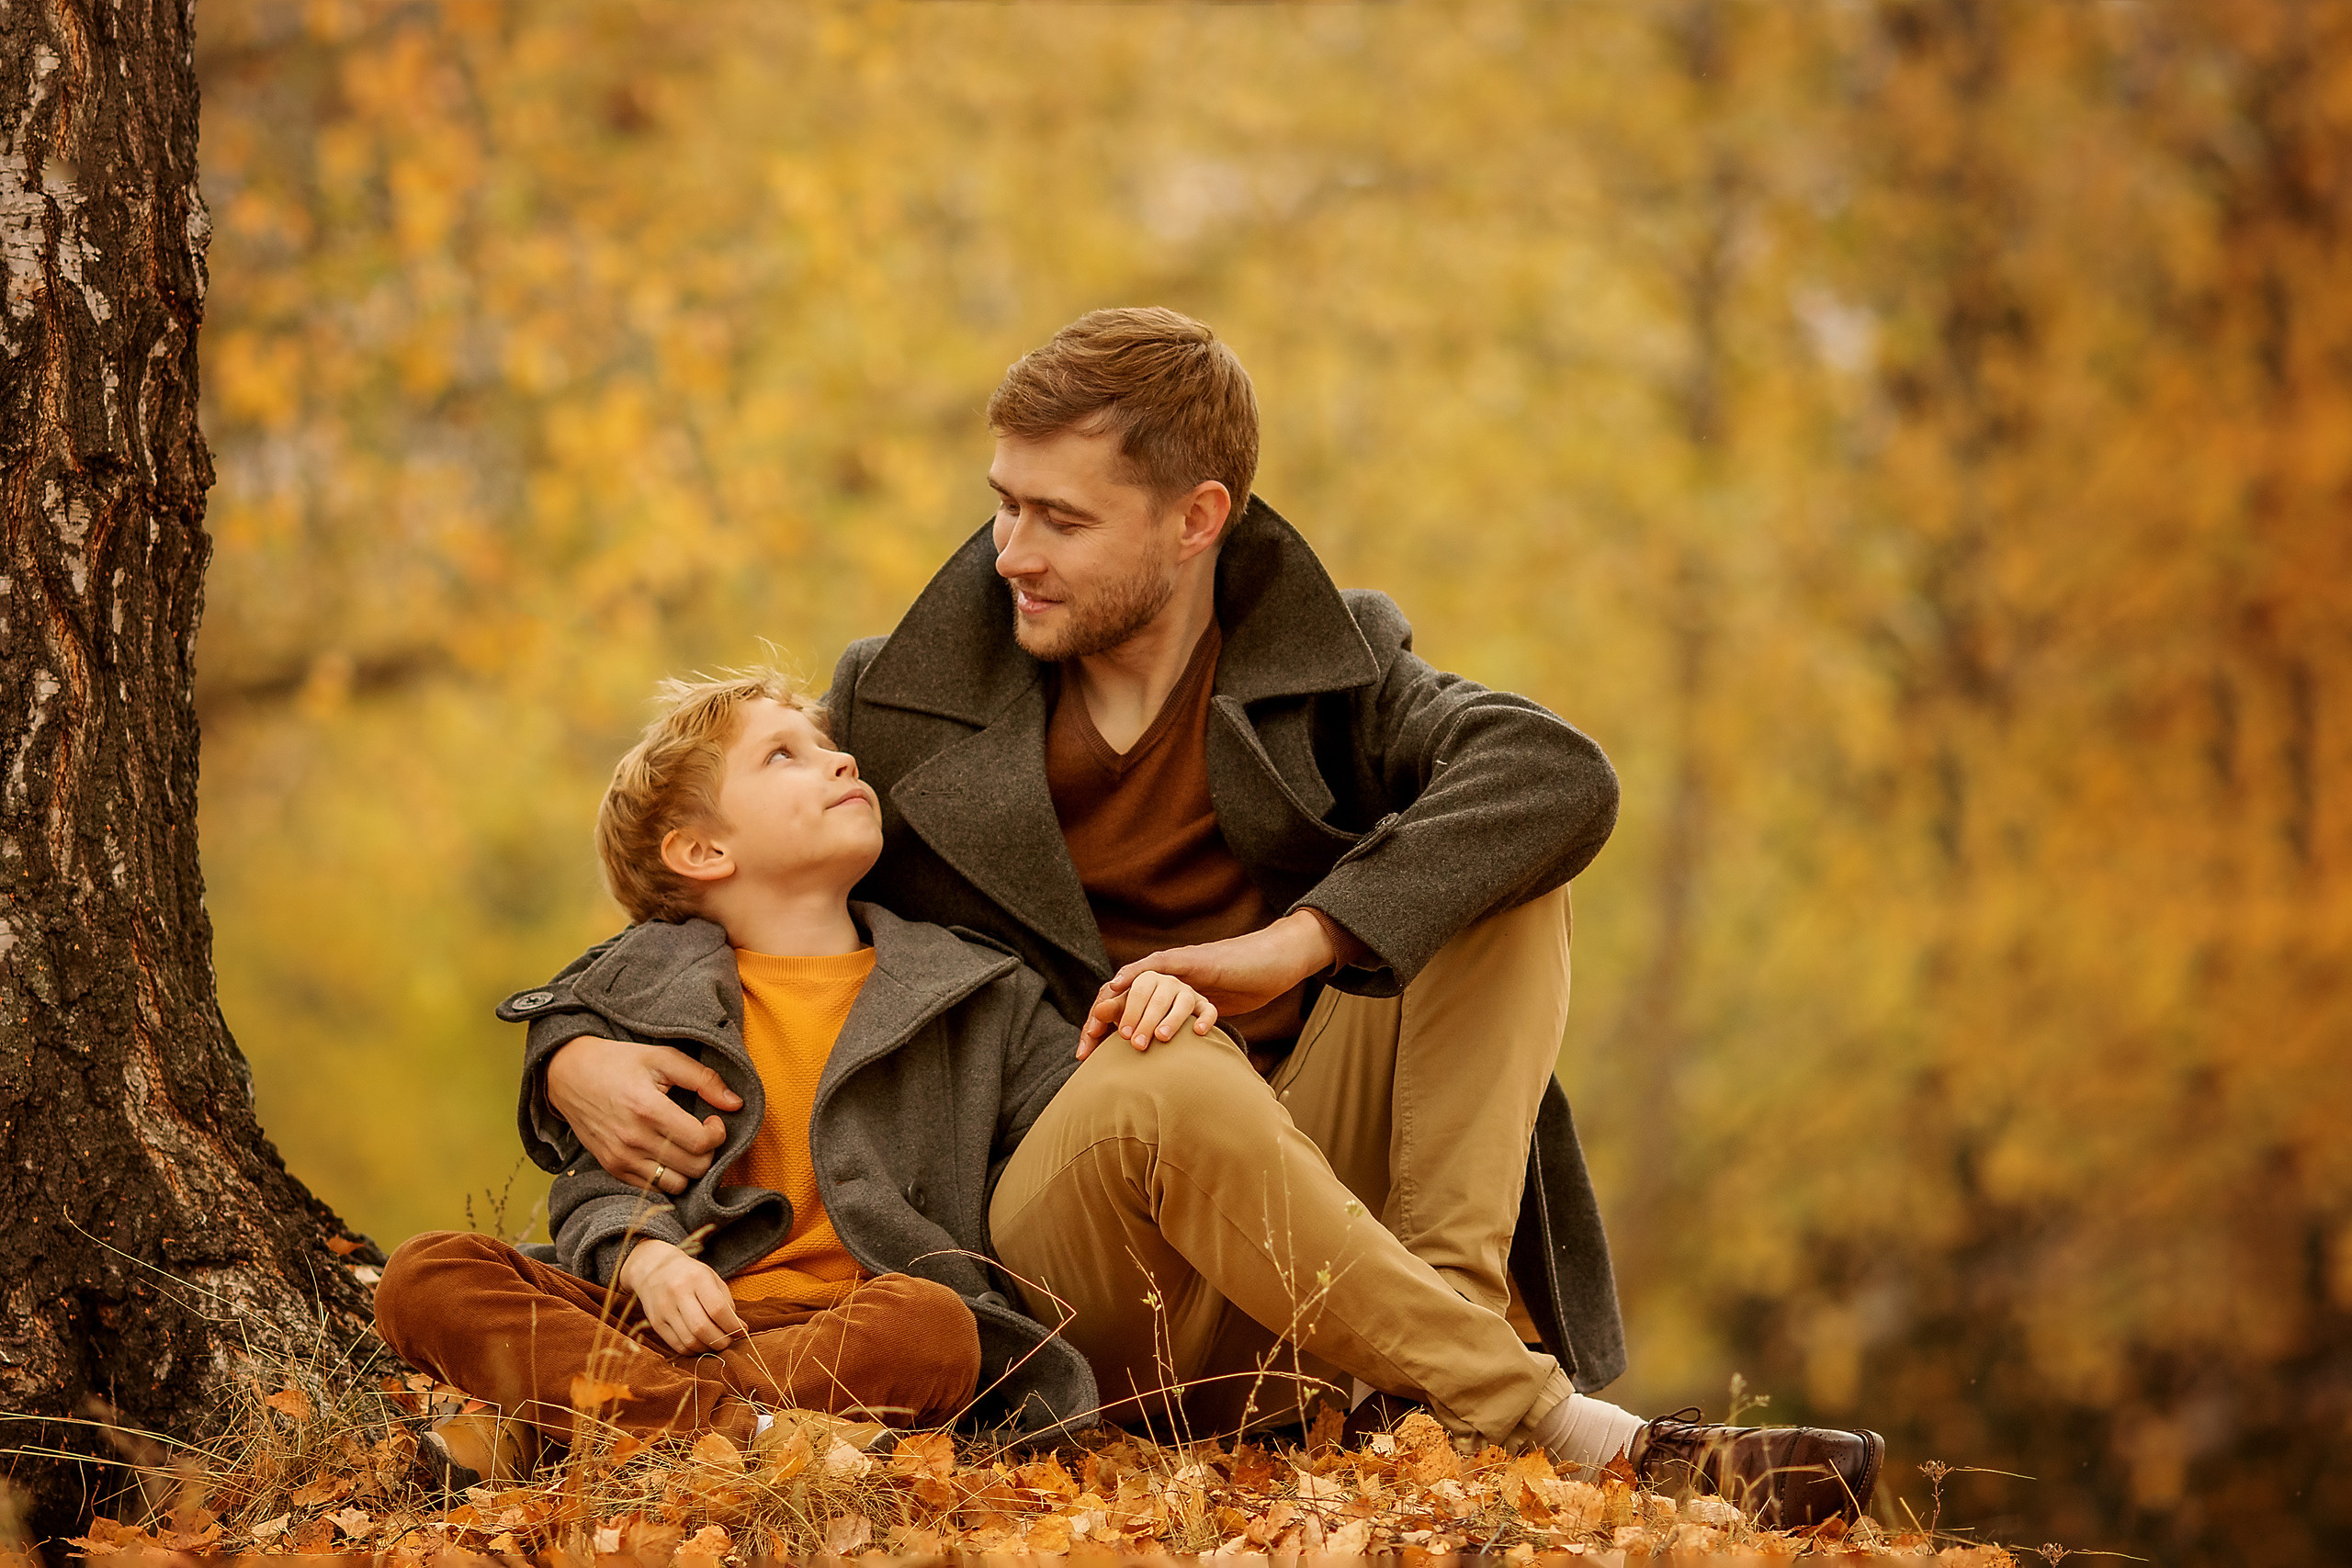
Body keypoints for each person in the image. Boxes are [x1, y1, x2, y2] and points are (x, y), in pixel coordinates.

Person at [521, 310, 1885, 1527]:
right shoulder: (900, 699)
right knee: (1165, 1069)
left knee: (1501, 880)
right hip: (1075, 1239)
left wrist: (1295, 943)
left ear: (1196, 518)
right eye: (1004, 503)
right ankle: (1530, 1407)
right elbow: (725, 895)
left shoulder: (1332, 664)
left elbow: (1559, 775)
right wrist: (567, 1050)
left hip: (1311, 1205)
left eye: (1061, 519)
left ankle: (1443, 1351)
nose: (1010, 552)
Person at [374, 671, 1219, 1487]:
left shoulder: (976, 990)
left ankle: (583, 1423)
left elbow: (1084, 1118)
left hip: (845, 1331)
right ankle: (741, 1434)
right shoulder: (645, 996)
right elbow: (599, 1186)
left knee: (936, 1326)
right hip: (650, 1318)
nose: (841, 761)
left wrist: (1151, 1016)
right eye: (785, 755)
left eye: (829, 745)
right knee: (425, 1273)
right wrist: (653, 1263)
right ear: (703, 850)